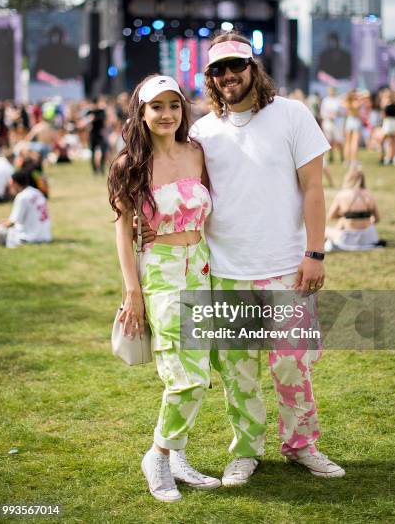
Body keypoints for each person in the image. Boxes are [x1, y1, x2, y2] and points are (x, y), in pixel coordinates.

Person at [142, 33, 345, 481]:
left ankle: (302, 445)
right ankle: (246, 451)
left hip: (287, 268)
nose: (228, 76)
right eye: (217, 70)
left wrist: (315, 251)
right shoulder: (199, 132)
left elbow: (314, 188)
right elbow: (167, 174)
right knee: (239, 373)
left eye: (236, 66)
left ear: (253, 67)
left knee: (293, 364)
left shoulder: (292, 115)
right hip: (225, 272)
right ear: (210, 78)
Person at [107, 75, 221, 503]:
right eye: (157, 107)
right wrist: (132, 292)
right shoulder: (129, 166)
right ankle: (157, 455)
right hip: (162, 273)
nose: (167, 114)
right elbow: (122, 235)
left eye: (174, 106)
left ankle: (177, 456)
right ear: (141, 112)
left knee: (198, 372)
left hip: (201, 268)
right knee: (184, 378)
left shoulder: (197, 153)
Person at [325, 167, 381, 252]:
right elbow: (377, 219)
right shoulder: (369, 194)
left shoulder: (342, 195)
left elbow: (330, 217)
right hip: (369, 239)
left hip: (348, 240)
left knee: (325, 230)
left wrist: (343, 215)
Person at [0, 169, 51, 248]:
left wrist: (1, 225)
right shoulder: (36, 192)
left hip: (30, 237)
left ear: (15, 183)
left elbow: (12, 222)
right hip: (45, 235)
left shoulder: (22, 197)